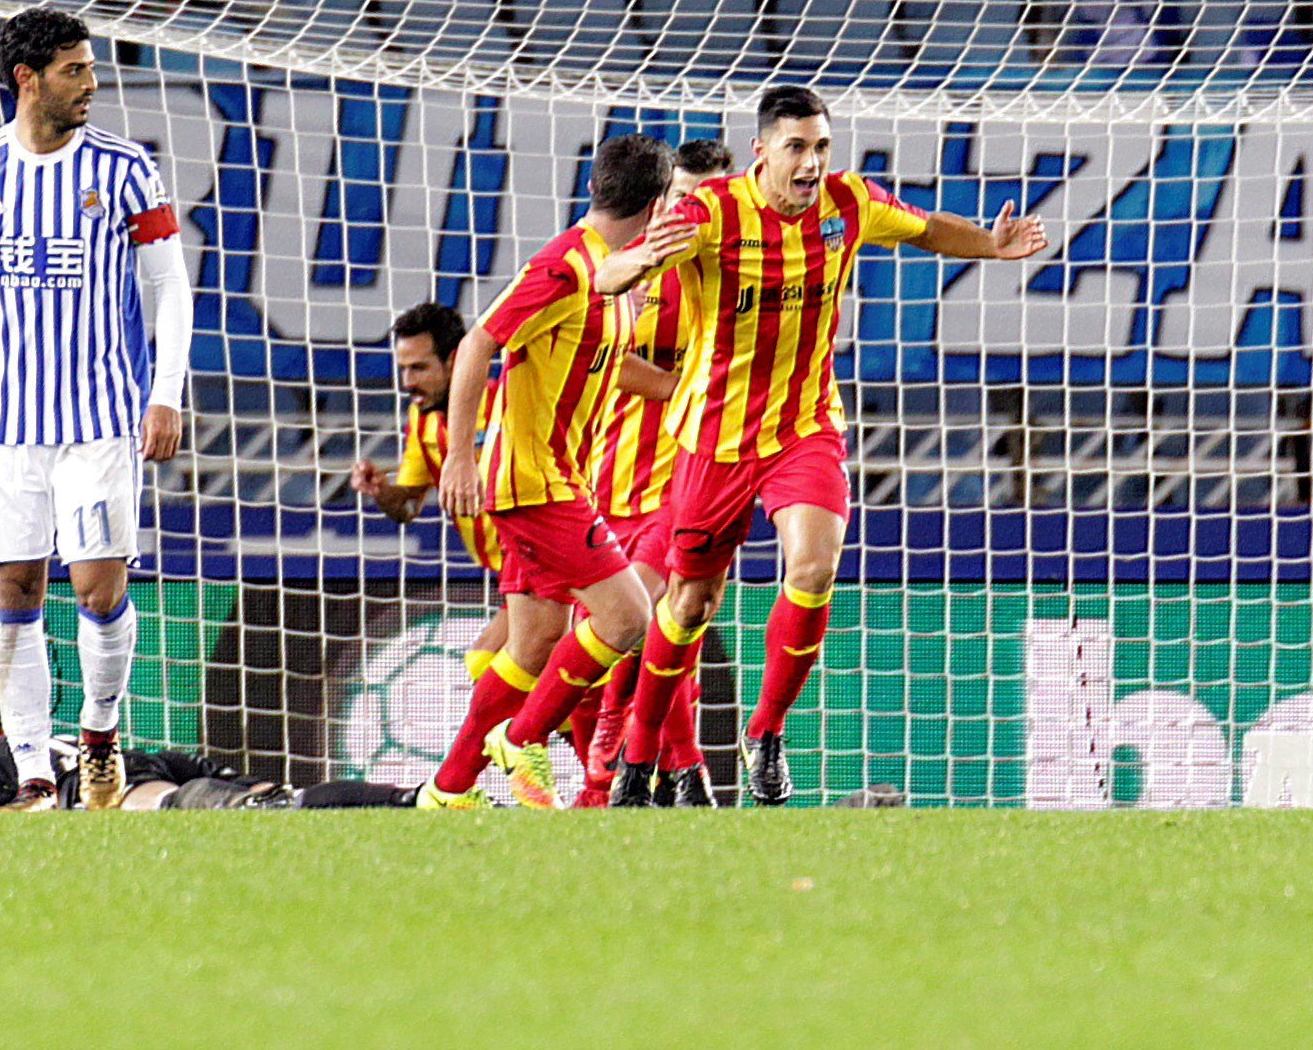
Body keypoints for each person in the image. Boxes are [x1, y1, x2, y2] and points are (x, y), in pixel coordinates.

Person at [594, 86, 1048, 806]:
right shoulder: (710, 212)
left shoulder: (848, 202)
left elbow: (927, 229)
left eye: (821, 147)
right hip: (715, 436)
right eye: (797, 148)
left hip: (805, 425)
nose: (811, 163)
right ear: (762, 152)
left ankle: (765, 732)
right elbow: (614, 274)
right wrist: (627, 266)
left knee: (812, 565)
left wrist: (989, 245)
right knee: (688, 603)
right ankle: (639, 755)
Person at [0, 7, 194, 813]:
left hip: (101, 419)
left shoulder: (128, 168)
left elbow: (167, 285)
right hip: (2, 427)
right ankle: (35, 771)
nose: (91, 83)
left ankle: (99, 735)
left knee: (99, 587)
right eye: (75, 69)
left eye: (90, 67)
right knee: (15, 592)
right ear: (25, 78)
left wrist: (164, 390)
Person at [418, 135, 678, 811]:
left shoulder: (615, 273)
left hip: (559, 477)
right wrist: (460, 455)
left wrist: (687, 390)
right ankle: (525, 735)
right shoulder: (564, 266)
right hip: (533, 482)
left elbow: (610, 363)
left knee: (533, 642)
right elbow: (479, 341)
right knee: (626, 615)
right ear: (654, 205)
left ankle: (447, 792)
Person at [580, 138, 733, 808]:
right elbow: (597, 357)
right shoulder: (634, 269)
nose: (697, 209)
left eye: (712, 195)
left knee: (677, 628)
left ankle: (647, 771)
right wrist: (683, 382)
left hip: (694, 474)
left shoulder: (748, 265)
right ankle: (647, 768)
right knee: (633, 633)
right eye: (683, 196)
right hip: (614, 475)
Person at [351, 301, 509, 685]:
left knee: (487, 666)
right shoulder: (421, 420)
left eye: (419, 367)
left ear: (456, 360)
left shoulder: (510, 399)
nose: (407, 382)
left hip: (552, 563)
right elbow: (407, 507)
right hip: (510, 575)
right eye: (403, 369)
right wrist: (381, 491)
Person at [0, 705, 410, 811]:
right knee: (288, 800)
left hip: (97, 787)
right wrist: (243, 780)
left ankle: (239, 804)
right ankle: (406, 797)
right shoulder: (50, 738)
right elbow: (175, 759)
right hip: (130, 761)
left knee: (169, 804)